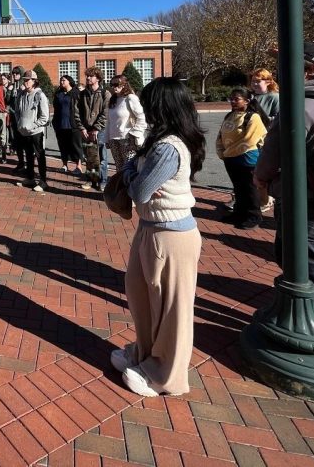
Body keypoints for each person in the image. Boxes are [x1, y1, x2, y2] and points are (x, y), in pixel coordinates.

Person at [112, 77, 206, 397]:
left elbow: (140, 190)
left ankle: (165, 375)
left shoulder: (170, 147)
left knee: (172, 311)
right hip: (151, 228)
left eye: (150, 102)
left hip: (172, 234)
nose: (144, 107)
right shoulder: (159, 139)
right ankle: (144, 354)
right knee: (140, 294)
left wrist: (127, 170)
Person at [254, 42, 314, 330]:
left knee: (303, 258)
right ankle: (309, 312)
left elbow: (276, 147)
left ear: (311, 70)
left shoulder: (305, 105)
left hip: (304, 195)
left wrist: (261, 177)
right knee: (295, 253)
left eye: (286, 63)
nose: (280, 71)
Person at [216, 87, 267, 229]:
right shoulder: (229, 116)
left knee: (250, 189)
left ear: (247, 100)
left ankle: (253, 216)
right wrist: (221, 151)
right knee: (238, 188)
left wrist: (229, 152)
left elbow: (249, 139)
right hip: (230, 158)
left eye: (236, 99)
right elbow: (221, 134)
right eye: (231, 99)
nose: (232, 101)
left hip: (247, 159)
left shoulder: (253, 117)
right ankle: (239, 213)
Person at [104, 75, 147, 210]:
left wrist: (134, 133)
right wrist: (107, 138)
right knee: (120, 169)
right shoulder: (113, 100)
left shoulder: (131, 98)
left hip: (128, 139)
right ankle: (123, 195)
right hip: (115, 139)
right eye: (112, 85)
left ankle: (134, 196)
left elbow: (141, 118)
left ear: (124, 85)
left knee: (131, 169)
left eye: (117, 85)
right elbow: (109, 122)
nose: (115, 88)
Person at [74, 67, 111, 191]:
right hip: (86, 129)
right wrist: (81, 127)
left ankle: (103, 181)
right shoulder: (83, 94)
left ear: (98, 78)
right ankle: (91, 180)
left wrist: (97, 127)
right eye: (87, 76)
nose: (88, 78)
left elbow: (106, 112)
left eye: (91, 76)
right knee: (90, 157)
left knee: (101, 157)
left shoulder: (105, 93)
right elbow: (77, 112)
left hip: (100, 130)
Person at [15, 70, 51, 192]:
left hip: (36, 132)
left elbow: (44, 117)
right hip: (24, 132)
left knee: (40, 156)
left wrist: (33, 125)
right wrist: (20, 124)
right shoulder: (21, 94)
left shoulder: (40, 95)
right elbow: (17, 111)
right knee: (29, 156)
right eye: (24, 80)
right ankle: (30, 178)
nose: (25, 82)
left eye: (27, 80)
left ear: (34, 81)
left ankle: (43, 181)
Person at [53, 75, 83, 174]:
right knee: (63, 146)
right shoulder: (58, 94)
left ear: (69, 81)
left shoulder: (76, 93)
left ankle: (78, 166)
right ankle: (64, 165)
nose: (61, 82)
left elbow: (81, 109)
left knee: (76, 146)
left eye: (64, 80)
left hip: (73, 124)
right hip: (60, 124)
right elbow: (56, 108)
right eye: (60, 80)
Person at [7, 67, 26, 172]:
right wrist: (9, 91)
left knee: (25, 141)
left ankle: (28, 163)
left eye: (17, 73)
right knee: (17, 140)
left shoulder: (24, 86)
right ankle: (20, 162)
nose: (14, 75)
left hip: (23, 116)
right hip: (14, 116)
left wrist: (23, 90)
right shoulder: (12, 86)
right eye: (13, 73)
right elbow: (8, 100)